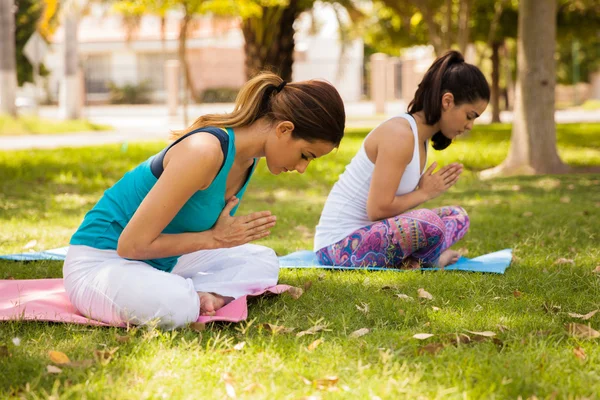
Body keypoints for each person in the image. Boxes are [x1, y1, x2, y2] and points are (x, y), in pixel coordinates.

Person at [63, 72, 346, 329]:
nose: (301, 168)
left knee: (262, 260)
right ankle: (190, 296)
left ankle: (195, 293)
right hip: (101, 262)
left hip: (160, 262)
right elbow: (131, 245)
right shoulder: (204, 151)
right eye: (305, 155)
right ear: (284, 129)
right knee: (177, 307)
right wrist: (214, 239)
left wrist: (219, 240)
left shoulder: (247, 159)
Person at [314, 51, 489, 269]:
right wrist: (424, 193)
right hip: (339, 247)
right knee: (430, 223)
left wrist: (422, 192)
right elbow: (377, 209)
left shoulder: (419, 139)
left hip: (373, 236)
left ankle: (415, 260)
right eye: (470, 116)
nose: (470, 125)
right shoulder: (400, 134)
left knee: (457, 216)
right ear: (447, 101)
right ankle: (429, 261)